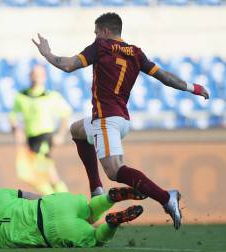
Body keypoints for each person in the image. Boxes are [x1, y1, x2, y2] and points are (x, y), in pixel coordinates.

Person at [32, 12, 209, 230]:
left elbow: (67, 65)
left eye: (97, 32)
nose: (96, 36)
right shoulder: (136, 53)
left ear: (106, 32)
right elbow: (165, 76)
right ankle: (97, 190)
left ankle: (166, 197)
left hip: (106, 121)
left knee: (115, 171)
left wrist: (47, 53)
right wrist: (194, 88)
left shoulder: (101, 47)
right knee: (76, 130)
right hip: (120, 120)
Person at [0, 187, 146, 248]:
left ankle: (113, 223)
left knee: (95, 239)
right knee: (88, 210)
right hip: (52, 204)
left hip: (50, 231)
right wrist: (52, 202)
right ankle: (109, 197)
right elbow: (28, 196)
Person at [9, 64, 72, 195]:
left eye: (39, 75)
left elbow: (66, 114)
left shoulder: (51, 96)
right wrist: (16, 129)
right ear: (29, 76)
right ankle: (61, 200)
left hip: (44, 138)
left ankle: (62, 200)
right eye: (33, 74)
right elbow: (13, 116)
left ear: (44, 77)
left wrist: (60, 135)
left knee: (34, 172)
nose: (36, 78)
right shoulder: (21, 96)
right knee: (43, 174)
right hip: (30, 139)